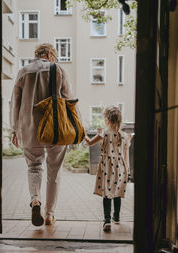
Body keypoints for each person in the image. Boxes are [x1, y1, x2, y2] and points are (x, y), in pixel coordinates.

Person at [10, 43, 74, 227]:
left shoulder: (23, 72)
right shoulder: (58, 69)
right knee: (53, 171)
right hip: (55, 129)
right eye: (54, 56)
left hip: (29, 130)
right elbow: (69, 100)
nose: (55, 60)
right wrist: (74, 128)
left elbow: (15, 103)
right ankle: (49, 214)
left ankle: (35, 200)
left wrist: (15, 130)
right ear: (48, 54)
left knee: (34, 167)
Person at [84, 106, 133, 232]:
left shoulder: (104, 133)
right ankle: (116, 217)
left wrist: (83, 135)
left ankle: (107, 220)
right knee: (117, 191)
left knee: (107, 192)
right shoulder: (124, 136)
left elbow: (89, 142)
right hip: (121, 167)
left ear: (107, 120)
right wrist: (127, 170)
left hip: (108, 167)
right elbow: (126, 153)